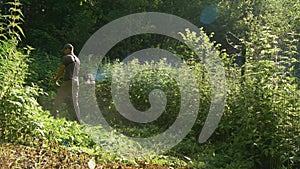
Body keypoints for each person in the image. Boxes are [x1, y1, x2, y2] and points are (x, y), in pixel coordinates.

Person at [51, 43, 80, 122]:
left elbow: (62, 69)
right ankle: (78, 120)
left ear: (69, 49)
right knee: (74, 102)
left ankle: (53, 116)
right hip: (76, 82)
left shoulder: (67, 57)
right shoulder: (77, 60)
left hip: (68, 81)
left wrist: (56, 79)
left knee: (58, 98)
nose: (64, 51)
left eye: (65, 50)